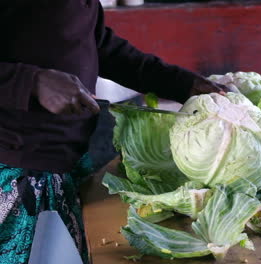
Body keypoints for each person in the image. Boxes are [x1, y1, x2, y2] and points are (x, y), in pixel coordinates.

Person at [0, 1, 230, 263]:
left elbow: (99, 45)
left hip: (67, 160)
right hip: (13, 170)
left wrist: (181, 83)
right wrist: (32, 82)